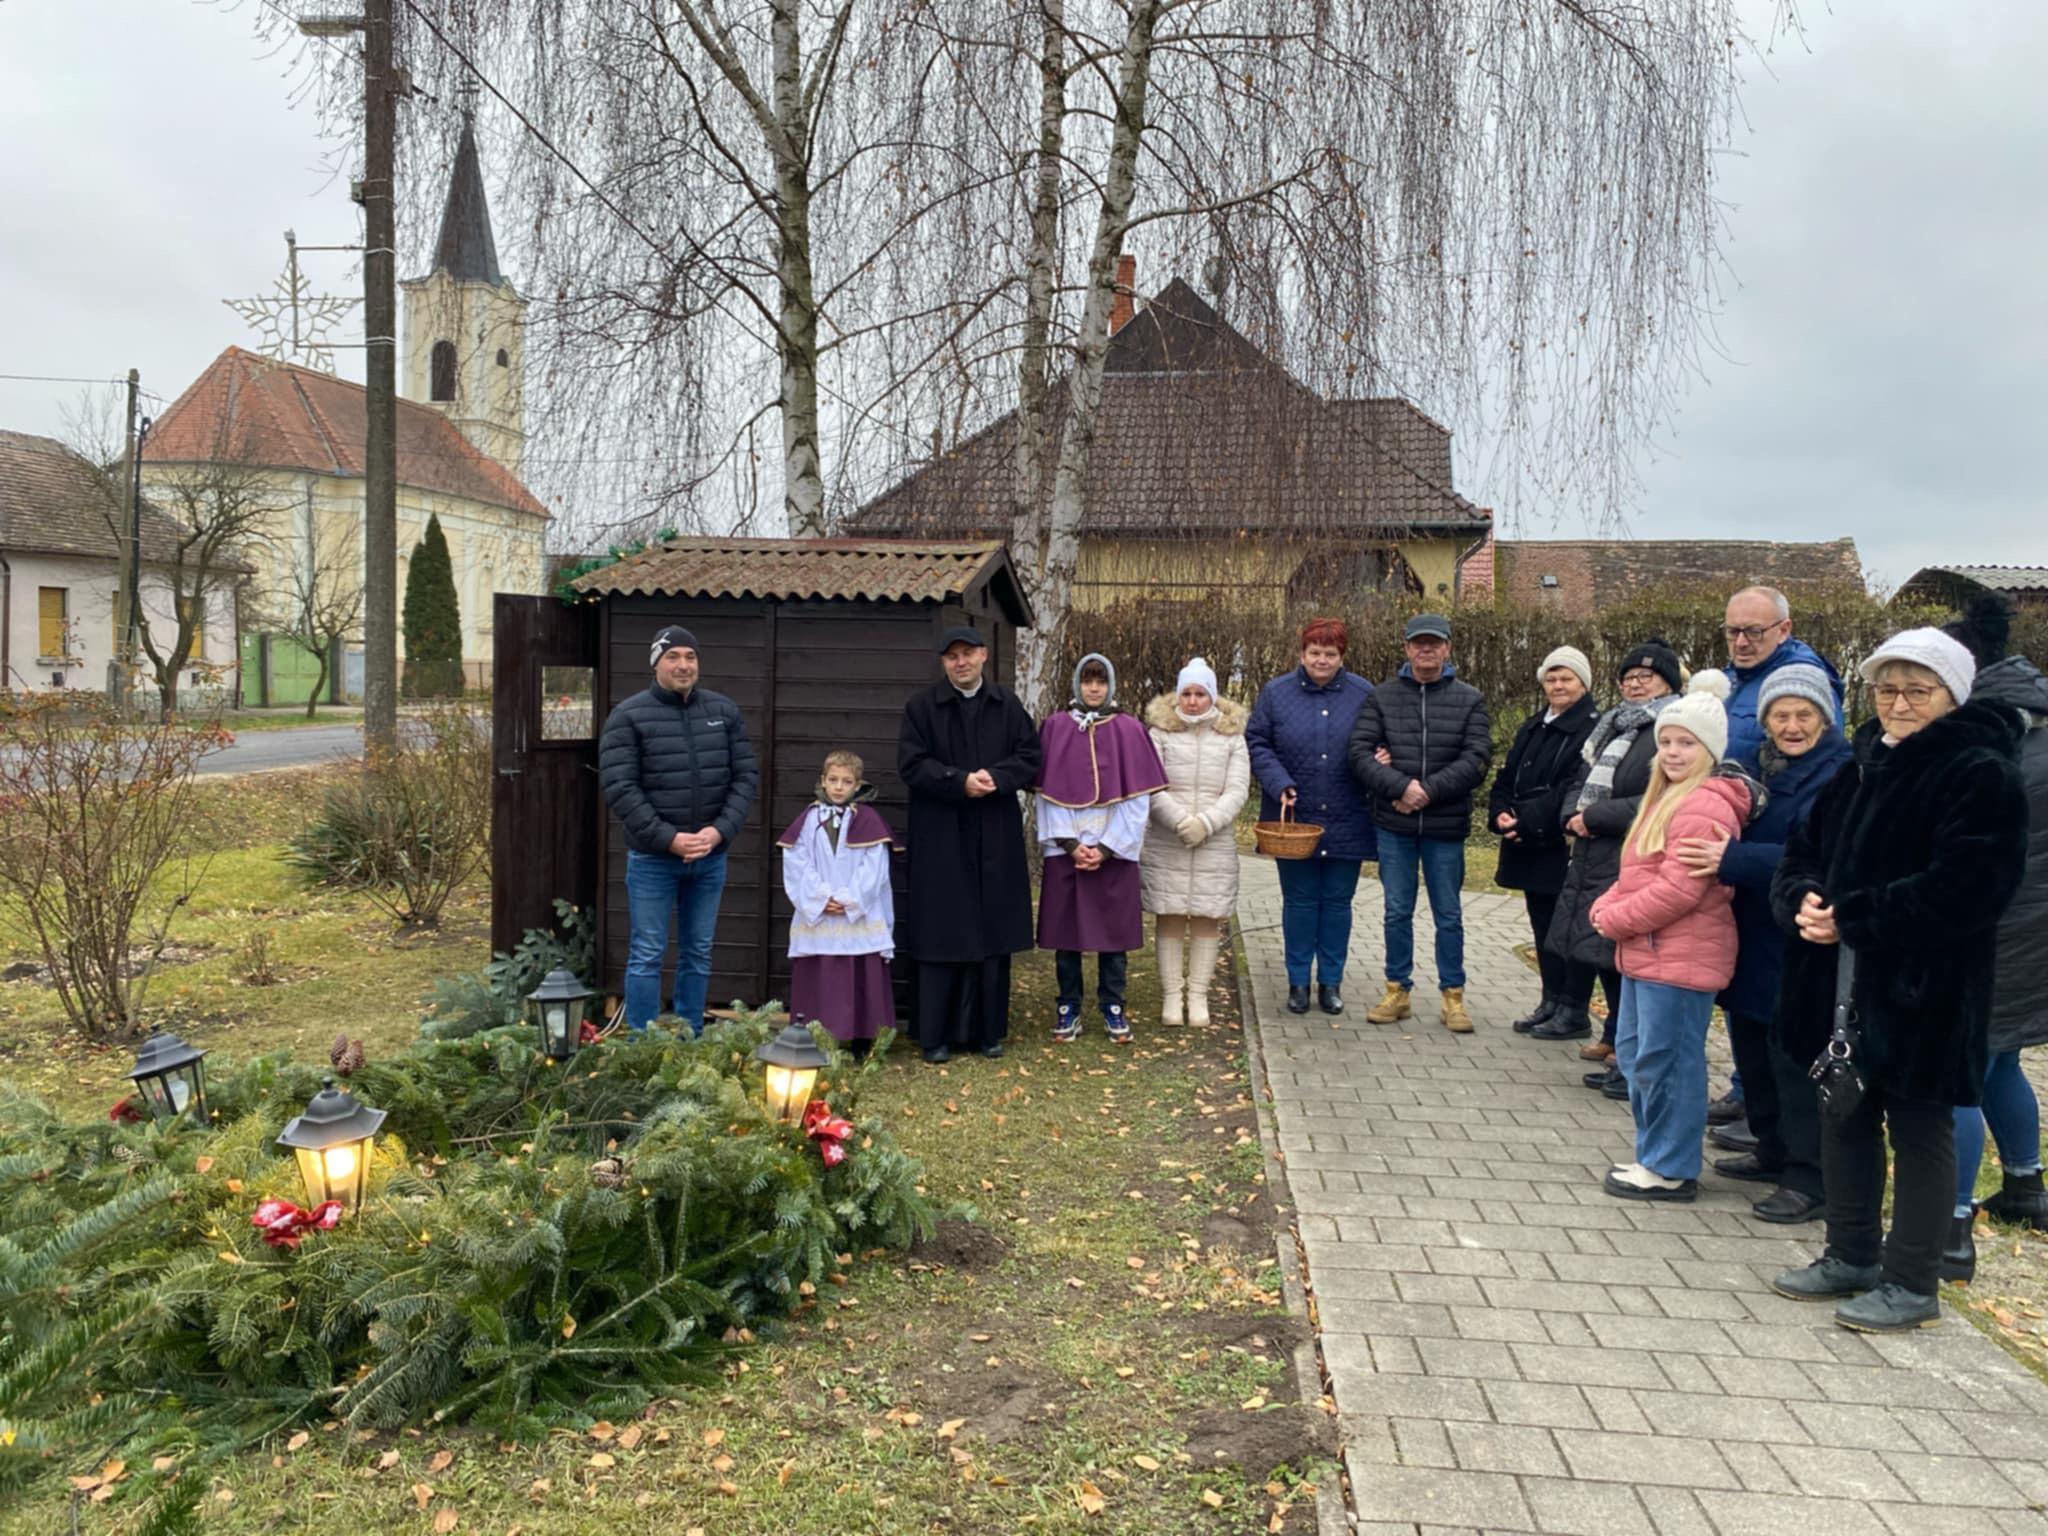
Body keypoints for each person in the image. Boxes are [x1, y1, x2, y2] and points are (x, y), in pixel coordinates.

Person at [1768, 628, 2027, 1332]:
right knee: (1843, 1116)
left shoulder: (1980, 772)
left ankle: (1913, 1281)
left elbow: (1973, 884)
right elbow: (1802, 850)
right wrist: (1801, 898)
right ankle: (1850, 1253)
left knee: (1919, 1129)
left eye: (1918, 690)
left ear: (1952, 695)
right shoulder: (1860, 768)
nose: (1899, 703)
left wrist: (1856, 916)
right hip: (1841, 985)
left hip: (1925, 990)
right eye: (1887, 689)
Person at [1674, 663, 1851, 1224]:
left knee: (1794, 1059)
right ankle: (1770, 1147)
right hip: (1751, 927)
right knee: (1751, 1049)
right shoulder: (1755, 766)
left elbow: (1822, 857)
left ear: (1825, 718)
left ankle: (1809, 1178)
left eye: (1804, 715)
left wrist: (1734, 858)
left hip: (1801, 939)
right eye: (1780, 716)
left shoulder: (1843, 774)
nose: (1792, 726)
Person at [1589, 672, 1753, 1201]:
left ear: (1710, 750)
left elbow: (1679, 890)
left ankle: (1672, 1167)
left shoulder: (1706, 804)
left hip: (1681, 958)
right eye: (1666, 742)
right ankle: (1653, 1153)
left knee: (1669, 1062)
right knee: (1640, 1055)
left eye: (1687, 743)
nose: (1674, 752)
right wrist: (1605, 905)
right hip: (1648, 952)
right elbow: (1637, 873)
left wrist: (1615, 918)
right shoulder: (1665, 798)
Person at [1711, 585, 1846, 1130]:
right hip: (1750, 901)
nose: (1741, 641)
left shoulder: (1832, 766)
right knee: (1749, 1022)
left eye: (1754, 631)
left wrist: (1732, 856)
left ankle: (1788, 1150)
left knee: (1783, 1035)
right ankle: (1763, 1132)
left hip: (1788, 913)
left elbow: (1814, 850)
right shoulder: (1738, 689)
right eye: (1732, 631)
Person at [1941, 596, 2048, 1280]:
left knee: (1956, 1072)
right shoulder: (2036, 727)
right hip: (2036, 931)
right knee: (2000, 1060)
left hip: (1989, 929)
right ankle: (2026, 1185)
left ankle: (1949, 1230)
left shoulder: (1984, 742)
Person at [599, 624, 760, 1034]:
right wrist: (667, 839)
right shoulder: (628, 716)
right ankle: (643, 1043)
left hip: (709, 858)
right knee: (647, 954)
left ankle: (691, 1036)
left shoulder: (723, 712)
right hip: (653, 860)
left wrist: (719, 832)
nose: (683, 665)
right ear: (656, 662)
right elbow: (620, 787)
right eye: (673, 656)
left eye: (690, 656)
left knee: (699, 952)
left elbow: (745, 778)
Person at [898, 625, 1042, 1064]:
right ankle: (935, 1035)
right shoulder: (922, 707)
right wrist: (958, 781)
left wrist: (996, 778)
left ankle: (987, 1031)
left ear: (983, 655)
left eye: (967, 654)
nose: (960, 662)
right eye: (952, 656)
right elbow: (911, 764)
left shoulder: (1006, 705)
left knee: (990, 932)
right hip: (941, 834)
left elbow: (1030, 756)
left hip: (994, 832)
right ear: (943, 662)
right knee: (941, 932)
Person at [1549, 639, 1683, 1091]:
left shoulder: (1670, 729)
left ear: (1669, 683)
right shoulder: (1613, 725)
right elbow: (1581, 777)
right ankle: (1616, 1040)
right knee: (1603, 953)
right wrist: (1573, 813)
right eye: (1628, 677)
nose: (1636, 684)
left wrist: (1594, 816)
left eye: (1647, 677)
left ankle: (1633, 1062)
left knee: (1627, 957)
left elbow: (1660, 796)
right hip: (1594, 853)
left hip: (1634, 853)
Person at [1348, 614, 1493, 1033]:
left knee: (1448, 914)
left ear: (1447, 648)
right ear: (1407, 649)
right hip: (1394, 825)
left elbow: (1477, 758)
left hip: (1445, 827)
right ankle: (1397, 990)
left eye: (1434, 643)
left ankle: (1453, 996)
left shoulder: (1470, 699)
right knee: (1397, 911)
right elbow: (1359, 753)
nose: (1426, 650)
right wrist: (1400, 787)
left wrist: (1425, 791)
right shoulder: (1381, 697)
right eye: (1418, 643)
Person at [1246, 619, 1379, 1016]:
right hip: (1294, 816)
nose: (1322, 660)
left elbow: (1378, 740)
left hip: (1348, 814)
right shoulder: (1276, 693)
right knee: (1300, 902)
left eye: (1330, 654)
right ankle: (1299, 981)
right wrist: (1279, 783)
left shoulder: (1364, 694)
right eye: (1315, 652)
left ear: (1342, 656)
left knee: (1337, 903)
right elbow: (1257, 742)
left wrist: (1383, 756)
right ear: (1302, 654)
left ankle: (1331, 982)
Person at [1035, 654, 1168, 1043]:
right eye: (1088, 681)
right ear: (1077, 684)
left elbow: (1137, 800)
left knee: (1114, 934)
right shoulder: (1056, 727)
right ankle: (1068, 1006)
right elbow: (1048, 795)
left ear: (1111, 685)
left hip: (1114, 851)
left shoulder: (1130, 730)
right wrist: (1070, 844)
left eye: (1101, 681)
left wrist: (1107, 848)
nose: (1094, 688)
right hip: (1067, 850)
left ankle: (1113, 1004)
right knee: (1067, 935)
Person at [1489, 646, 1600, 1038]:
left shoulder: (1591, 728)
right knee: (1542, 925)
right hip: (1527, 842)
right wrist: (1501, 812)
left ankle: (1573, 1009)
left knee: (1568, 927)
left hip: (1560, 842)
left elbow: (1574, 785)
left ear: (1583, 683)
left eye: (1566, 678)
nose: (1558, 685)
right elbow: (1507, 776)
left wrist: (1529, 821)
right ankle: (1550, 1001)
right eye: (1551, 678)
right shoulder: (1534, 725)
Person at [1142, 657, 1251, 1027]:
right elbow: (1150, 785)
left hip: (1213, 841)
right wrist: (1179, 821)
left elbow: (1237, 790)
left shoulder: (1232, 737)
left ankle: (1199, 995)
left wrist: (1205, 823)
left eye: (1200, 694)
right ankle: (1172, 996)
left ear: (1212, 696)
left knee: (1207, 918)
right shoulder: (1159, 734)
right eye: (1186, 693)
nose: (1192, 701)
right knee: (1170, 915)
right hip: (1167, 838)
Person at [778, 750, 899, 1063]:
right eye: (833, 780)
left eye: (846, 781)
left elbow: (875, 868)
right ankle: (815, 1036)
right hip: (820, 913)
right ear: (823, 781)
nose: (838, 787)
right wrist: (820, 898)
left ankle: (863, 1038)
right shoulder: (809, 820)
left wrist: (848, 900)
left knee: (861, 973)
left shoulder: (869, 820)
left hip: (858, 913)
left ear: (857, 785)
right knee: (820, 975)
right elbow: (796, 860)